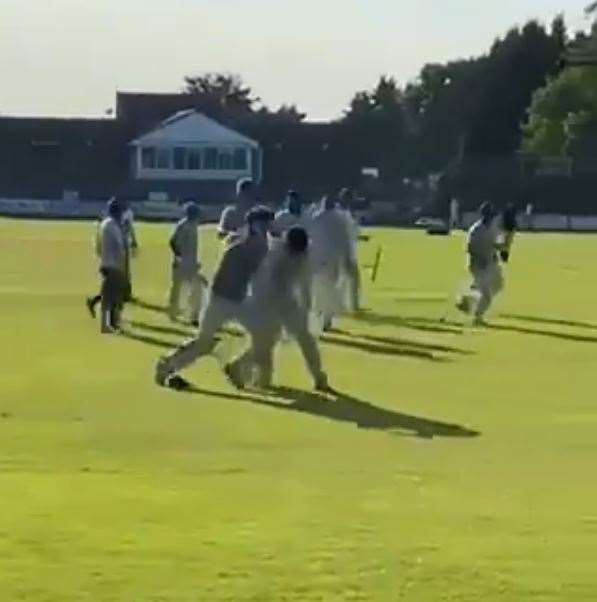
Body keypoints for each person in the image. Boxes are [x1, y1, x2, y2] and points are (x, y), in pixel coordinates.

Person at [155, 207, 274, 389]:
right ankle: (167, 365)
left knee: (264, 335)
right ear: (254, 223)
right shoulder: (252, 243)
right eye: (263, 223)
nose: (266, 227)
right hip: (221, 298)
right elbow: (259, 271)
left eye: (268, 224)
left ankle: (236, 367)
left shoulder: (251, 240)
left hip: (237, 299)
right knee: (204, 342)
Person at [226, 226, 329, 391]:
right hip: (265, 301)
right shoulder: (274, 251)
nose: (296, 255)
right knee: (266, 343)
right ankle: (239, 367)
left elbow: (305, 284)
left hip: (286, 300)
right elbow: (261, 280)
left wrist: (305, 306)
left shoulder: (305, 253)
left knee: (305, 339)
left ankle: (319, 378)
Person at [309, 195, 355, 330]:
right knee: (330, 286)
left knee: (320, 286)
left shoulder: (316, 217)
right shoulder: (339, 219)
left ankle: (322, 312)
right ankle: (327, 316)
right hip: (333, 257)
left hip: (318, 257)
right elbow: (345, 240)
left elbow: (310, 237)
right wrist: (347, 256)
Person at [457, 202, 503, 325]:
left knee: (498, 285)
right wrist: (479, 259)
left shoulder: (493, 228)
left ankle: (470, 296)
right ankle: (477, 316)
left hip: (491, 263)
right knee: (487, 295)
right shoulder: (476, 229)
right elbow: (470, 247)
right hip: (478, 265)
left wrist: (499, 248)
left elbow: (493, 243)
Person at [168, 202, 206, 324]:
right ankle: (173, 314)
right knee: (177, 289)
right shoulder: (183, 225)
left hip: (191, 263)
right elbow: (172, 241)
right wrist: (179, 257)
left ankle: (194, 316)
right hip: (181, 263)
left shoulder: (193, 226)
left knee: (196, 289)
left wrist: (194, 261)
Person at [96, 199, 127, 333]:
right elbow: (119, 247)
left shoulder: (104, 224)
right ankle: (106, 325)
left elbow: (97, 246)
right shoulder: (113, 226)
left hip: (106, 262)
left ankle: (110, 323)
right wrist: (122, 265)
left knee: (110, 296)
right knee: (111, 297)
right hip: (114, 265)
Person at [337, 187, 362, 311]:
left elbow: (354, 231)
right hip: (341, 250)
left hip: (350, 249)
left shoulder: (350, 213)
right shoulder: (339, 213)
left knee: (352, 279)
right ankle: (345, 304)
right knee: (345, 279)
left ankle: (352, 304)